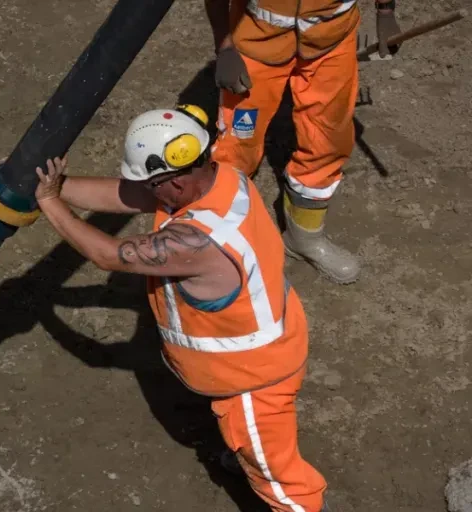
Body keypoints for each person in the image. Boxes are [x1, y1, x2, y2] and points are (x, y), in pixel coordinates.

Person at [32, 105, 328, 511]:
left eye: (154, 186)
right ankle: (243, 453)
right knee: (252, 449)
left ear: (171, 182)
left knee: (284, 485)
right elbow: (128, 193)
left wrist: (50, 204)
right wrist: (57, 185)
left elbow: (108, 254)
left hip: (252, 382)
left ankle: (256, 463)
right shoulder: (220, 176)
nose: (149, 194)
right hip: (261, 350)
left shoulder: (197, 241)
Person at [203, 0, 403, 284]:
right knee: (237, 146)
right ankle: (221, 239)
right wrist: (224, 47)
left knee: (328, 140)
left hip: (331, 41)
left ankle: (304, 237)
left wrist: (385, 11)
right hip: (256, 42)